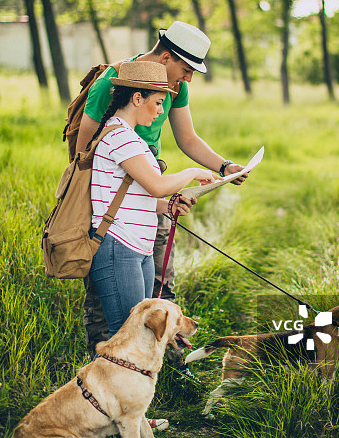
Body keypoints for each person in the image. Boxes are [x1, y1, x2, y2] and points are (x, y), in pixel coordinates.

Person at [77, 21, 248, 364]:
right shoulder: (111, 85)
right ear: (166, 57)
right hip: (117, 201)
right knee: (110, 299)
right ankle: (106, 363)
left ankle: (162, 363)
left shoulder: (175, 85)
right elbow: (84, 155)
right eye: (186, 70)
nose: (187, 81)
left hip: (151, 184)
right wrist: (126, 191)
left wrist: (223, 167)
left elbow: (187, 139)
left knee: (159, 280)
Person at [87, 60, 216, 438]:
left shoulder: (132, 138)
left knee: (137, 340)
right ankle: (98, 428)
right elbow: (157, 185)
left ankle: (134, 419)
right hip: (119, 248)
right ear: (136, 97)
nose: (161, 111)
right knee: (122, 341)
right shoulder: (119, 136)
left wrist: (169, 205)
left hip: (139, 248)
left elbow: (142, 195)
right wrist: (191, 174)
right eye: (158, 102)